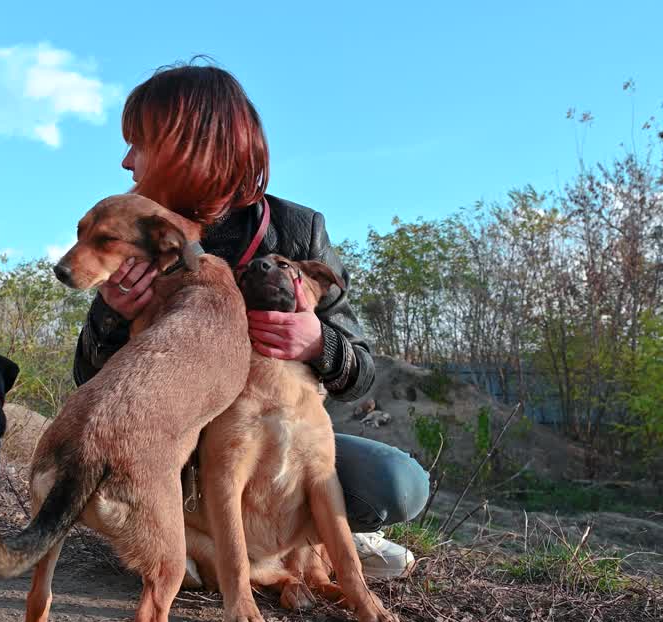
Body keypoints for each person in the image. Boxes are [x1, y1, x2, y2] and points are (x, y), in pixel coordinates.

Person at [71, 59, 428, 579]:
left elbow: (362, 374)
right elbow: (89, 384)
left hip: (269, 442)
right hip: (180, 453)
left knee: (397, 483)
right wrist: (110, 315)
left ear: (187, 146)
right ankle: (176, 537)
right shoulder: (137, 232)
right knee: (83, 459)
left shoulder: (297, 229)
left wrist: (318, 342)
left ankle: (319, 538)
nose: (127, 162)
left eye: (139, 143)